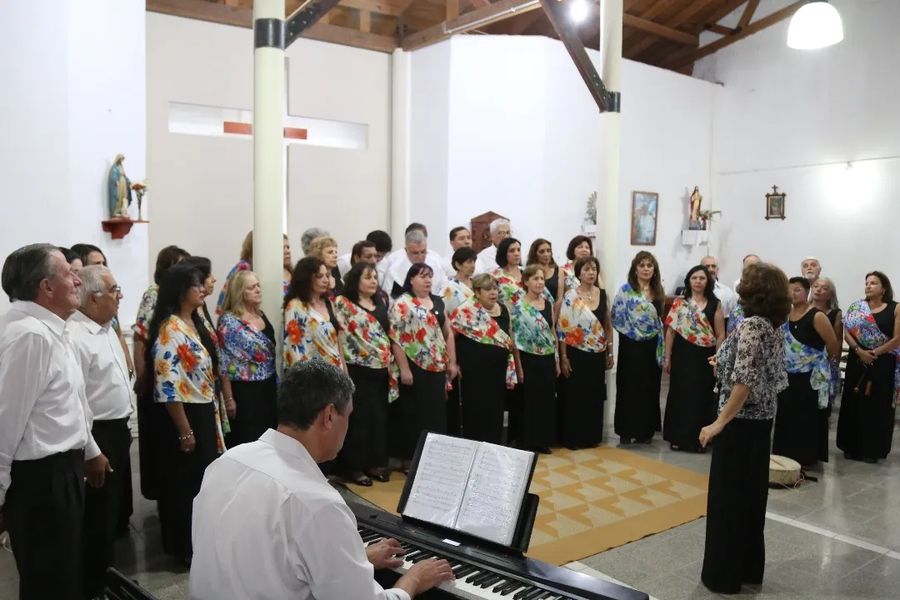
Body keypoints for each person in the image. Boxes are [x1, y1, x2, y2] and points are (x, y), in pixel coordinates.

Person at [189, 361, 454, 599]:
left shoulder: (227, 462)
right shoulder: (317, 502)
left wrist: (354, 559)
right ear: (329, 416)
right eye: (348, 416)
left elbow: (262, 553)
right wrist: (413, 580)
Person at [0, 244, 97, 600]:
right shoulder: (31, 335)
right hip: (42, 481)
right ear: (46, 286)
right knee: (51, 583)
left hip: (58, 473)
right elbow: (7, 418)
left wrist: (90, 450)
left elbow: (68, 403)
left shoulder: (49, 329)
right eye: (69, 274)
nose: (78, 280)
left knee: (62, 575)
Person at [698, 262, 791, 594]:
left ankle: (724, 575)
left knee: (729, 502)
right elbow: (763, 372)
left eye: (747, 280)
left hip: (739, 424)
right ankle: (748, 569)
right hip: (761, 422)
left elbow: (745, 382)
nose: (740, 284)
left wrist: (718, 423)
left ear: (756, 290)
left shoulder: (751, 325)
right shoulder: (771, 325)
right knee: (750, 499)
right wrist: (722, 361)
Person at [145, 262, 222, 564]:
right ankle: (184, 547)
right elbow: (168, 384)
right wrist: (185, 430)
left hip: (203, 409)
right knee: (185, 484)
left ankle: (201, 540)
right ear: (180, 291)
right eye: (196, 285)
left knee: (202, 481)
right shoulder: (170, 329)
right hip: (185, 414)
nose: (202, 289)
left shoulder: (195, 322)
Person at [68, 265, 135, 599]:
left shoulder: (107, 328)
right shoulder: (76, 337)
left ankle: (105, 579)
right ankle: (91, 587)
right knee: (96, 517)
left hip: (118, 430)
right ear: (93, 298)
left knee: (111, 514)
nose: (119, 296)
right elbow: (76, 402)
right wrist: (91, 450)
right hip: (97, 435)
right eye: (113, 290)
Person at [133, 245, 190, 501]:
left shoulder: (181, 296)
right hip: (158, 376)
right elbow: (140, 337)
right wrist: (142, 375)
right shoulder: (154, 294)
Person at [334, 262, 396, 485]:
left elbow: (387, 334)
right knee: (358, 419)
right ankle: (354, 467)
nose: (373, 281)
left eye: (375, 277)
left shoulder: (380, 302)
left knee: (377, 418)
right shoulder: (343, 304)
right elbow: (339, 336)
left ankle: (375, 463)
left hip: (381, 368)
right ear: (355, 280)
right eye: (367, 277)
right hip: (357, 368)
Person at [390, 263, 458, 463]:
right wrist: (404, 369)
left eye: (430, 276)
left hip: (437, 365)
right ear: (411, 279)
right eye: (422, 276)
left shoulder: (437, 301)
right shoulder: (403, 304)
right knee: (415, 414)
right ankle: (412, 459)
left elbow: (448, 333)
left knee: (436, 413)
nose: (428, 280)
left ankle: (436, 456)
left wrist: (452, 362)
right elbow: (396, 338)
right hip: (414, 365)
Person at [772, 277, 840, 467]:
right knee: (786, 414)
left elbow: (832, 345)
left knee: (806, 416)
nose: (792, 293)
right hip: (787, 373)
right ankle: (783, 453)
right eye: (789, 290)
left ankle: (806, 456)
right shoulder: (785, 314)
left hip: (810, 375)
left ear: (806, 292)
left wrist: (817, 362)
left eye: (797, 290)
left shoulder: (817, 316)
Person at [837, 271, 900, 463]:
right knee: (853, 402)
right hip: (857, 360)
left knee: (877, 405)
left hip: (883, 362)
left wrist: (874, 353)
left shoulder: (895, 308)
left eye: (873, 283)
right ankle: (851, 446)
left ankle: (872, 450)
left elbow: (897, 338)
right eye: (867, 283)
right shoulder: (857, 307)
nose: (868, 286)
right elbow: (846, 331)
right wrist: (859, 351)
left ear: (884, 288)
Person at [663, 265, 725, 453]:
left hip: (705, 358)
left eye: (702, 278)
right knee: (680, 395)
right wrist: (667, 357)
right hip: (682, 356)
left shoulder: (715, 304)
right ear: (689, 281)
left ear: (708, 281)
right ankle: (677, 437)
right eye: (694, 278)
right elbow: (671, 332)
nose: (698, 281)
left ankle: (700, 440)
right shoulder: (680, 303)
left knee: (701, 397)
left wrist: (718, 359)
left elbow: (720, 334)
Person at [450, 273, 517, 444]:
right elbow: (451, 337)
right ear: (477, 292)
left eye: (495, 288)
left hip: (497, 370)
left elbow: (510, 338)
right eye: (488, 289)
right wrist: (453, 363)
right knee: (475, 409)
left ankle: (493, 445)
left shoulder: (504, 309)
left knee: (495, 409)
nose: (493, 292)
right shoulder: (466, 310)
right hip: (473, 371)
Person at [557, 256, 613, 448]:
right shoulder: (571, 296)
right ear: (578, 273)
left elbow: (608, 325)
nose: (591, 273)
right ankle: (573, 437)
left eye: (594, 269)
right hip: (576, 352)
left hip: (597, 353)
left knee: (594, 395)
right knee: (575, 396)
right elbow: (563, 329)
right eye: (587, 269)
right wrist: (563, 357)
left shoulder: (603, 294)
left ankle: (591, 436)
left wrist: (610, 352)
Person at [217, 270, 277, 446]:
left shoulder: (261, 315)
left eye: (258, 285)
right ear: (240, 292)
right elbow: (224, 363)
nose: (258, 290)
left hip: (267, 387)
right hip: (244, 391)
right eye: (251, 287)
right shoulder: (229, 322)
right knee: (248, 439)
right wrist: (229, 399)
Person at [611, 251, 665, 444]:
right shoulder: (625, 291)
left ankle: (645, 431)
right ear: (635, 269)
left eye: (650, 265)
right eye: (642, 265)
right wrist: (633, 331)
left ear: (654, 270)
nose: (646, 269)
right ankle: (626, 430)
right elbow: (616, 317)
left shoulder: (658, 291)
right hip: (630, 346)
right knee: (629, 387)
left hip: (651, 346)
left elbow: (659, 318)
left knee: (648, 387)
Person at [511, 265, 559, 453]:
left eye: (542, 279)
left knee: (546, 400)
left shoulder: (548, 304)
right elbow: (515, 338)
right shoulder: (519, 307)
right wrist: (518, 366)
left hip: (547, 357)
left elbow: (553, 331)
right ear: (526, 282)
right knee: (529, 401)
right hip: (528, 358)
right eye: (535, 279)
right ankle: (526, 440)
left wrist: (556, 358)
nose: (540, 282)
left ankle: (543, 440)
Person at [283, 256, 346, 370]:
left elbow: (337, 342)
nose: (326, 280)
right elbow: (295, 348)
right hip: (312, 374)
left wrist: (345, 373)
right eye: (319, 276)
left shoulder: (328, 303)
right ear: (306, 278)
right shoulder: (295, 306)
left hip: (336, 370)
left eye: (327, 275)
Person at [215, 231, 294, 314]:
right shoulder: (244, 267)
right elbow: (223, 302)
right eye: (281, 248)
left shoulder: (290, 271)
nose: (287, 251)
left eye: (288, 247)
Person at [811, 276, 843, 460]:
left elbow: (837, 341)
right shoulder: (802, 309)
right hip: (804, 364)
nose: (818, 290)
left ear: (830, 294)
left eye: (823, 288)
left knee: (822, 407)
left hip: (825, 364)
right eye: (816, 286)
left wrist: (833, 363)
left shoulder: (835, 314)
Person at [383, 229, 447, 298]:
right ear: (406, 250)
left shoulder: (435, 264)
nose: (420, 256)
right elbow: (388, 296)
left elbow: (445, 286)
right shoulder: (394, 271)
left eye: (423, 252)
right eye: (415, 253)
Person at [728, 254, 762, 335]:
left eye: (755, 267)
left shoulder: (769, 288)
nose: (752, 271)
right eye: (749, 268)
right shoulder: (738, 285)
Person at [442, 247, 476, 316]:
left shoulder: (477, 283)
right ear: (458, 265)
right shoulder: (449, 286)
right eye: (469, 262)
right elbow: (444, 309)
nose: (473, 266)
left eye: (474, 262)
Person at [700, 255, 736, 319]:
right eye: (707, 266)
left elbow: (735, 316)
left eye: (713, 266)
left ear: (717, 270)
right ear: (700, 270)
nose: (711, 269)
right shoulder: (694, 291)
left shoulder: (727, 292)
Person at [493, 237, 524, 308]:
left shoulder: (527, 274)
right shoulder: (495, 276)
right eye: (512, 251)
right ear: (504, 253)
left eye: (518, 250)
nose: (516, 253)